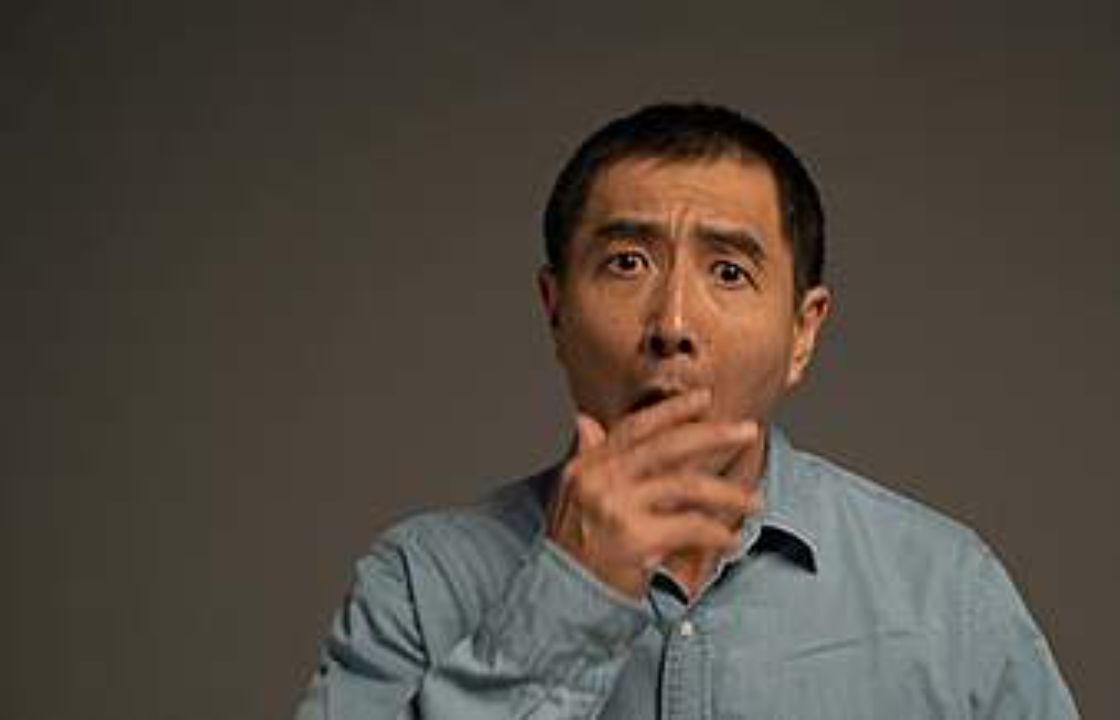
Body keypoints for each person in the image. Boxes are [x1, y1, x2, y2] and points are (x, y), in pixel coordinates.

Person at [293, 102, 1079, 719]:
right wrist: (570, 598)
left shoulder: (948, 592)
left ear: (803, 333)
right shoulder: (418, 582)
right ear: (555, 310)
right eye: (626, 262)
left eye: (729, 272)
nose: (672, 323)